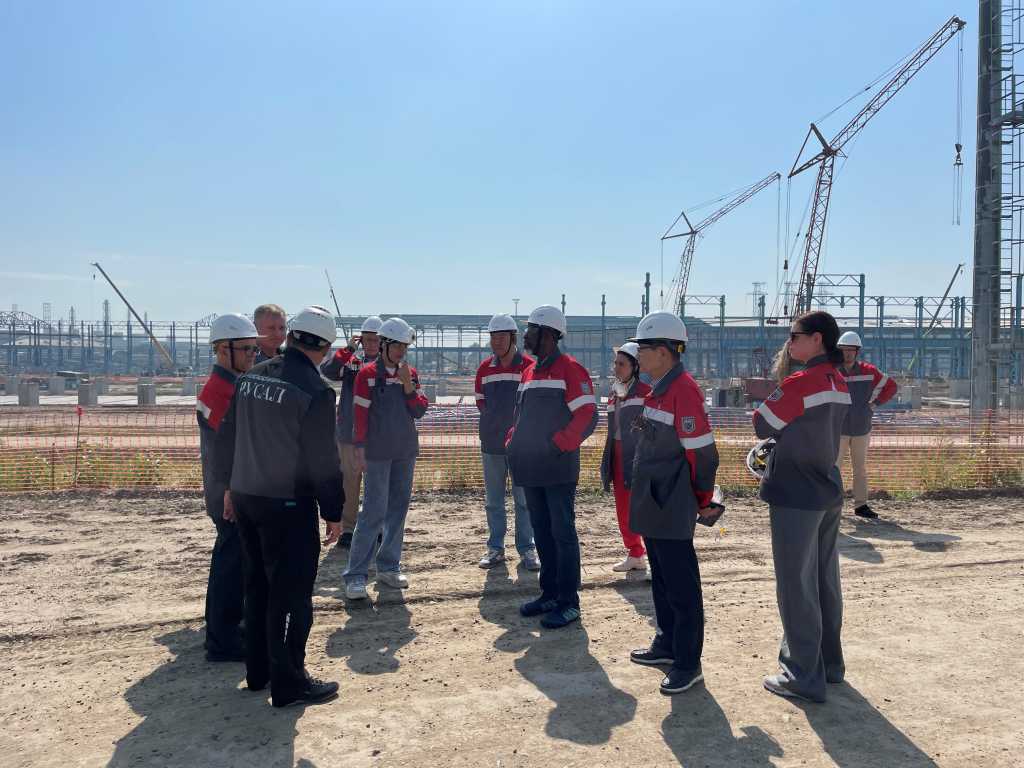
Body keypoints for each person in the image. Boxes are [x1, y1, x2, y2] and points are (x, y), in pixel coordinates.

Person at [213, 305, 343, 708]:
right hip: (287, 504)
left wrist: (228, 487)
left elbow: (227, 436)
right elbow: (323, 460)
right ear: (324, 347)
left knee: (257, 586)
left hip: (246, 496)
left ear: (291, 337)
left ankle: (259, 672)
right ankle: (289, 684)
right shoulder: (316, 390)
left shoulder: (251, 377)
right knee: (291, 595)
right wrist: (334, 511)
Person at [753, 310, 851, 703]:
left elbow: (762, 423)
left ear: (816, 339)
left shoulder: (801, 381)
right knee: (824, 580)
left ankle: (801, 675)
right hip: (827, 486)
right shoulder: (838, 380)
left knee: (796, 585)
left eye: (794, 336)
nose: (789, 342)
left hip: (795, 492)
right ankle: (829, 665)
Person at [625, 312, 720, 695]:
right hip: (654, 500)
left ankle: (687, 662)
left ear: (664, 352)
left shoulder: (683, 391)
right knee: (662, 579)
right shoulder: (660, 389)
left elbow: (702, 454)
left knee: (681, 586)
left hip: (673, 502)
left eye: (644, 348)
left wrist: (704, 499)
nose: (639, 354)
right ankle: (666, 643)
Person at [506, 305, 597, 629]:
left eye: (530, 330)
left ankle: (569, 602)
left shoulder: (570, 369)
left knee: (562, 533)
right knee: (542, 533)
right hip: (531, 469)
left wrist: (557, 445)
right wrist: (513, 441)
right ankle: (549, 594)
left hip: (558, 469)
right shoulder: (529, 372)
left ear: (547, 334)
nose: (525, 335)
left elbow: (587, 416)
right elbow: (521, 418)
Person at [343, 317, 429, 600]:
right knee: (373, 511)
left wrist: (407, 386)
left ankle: (389, 567)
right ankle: (356, 575)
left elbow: (419, 410)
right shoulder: (367, 374)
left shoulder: (410, 374)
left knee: (397, 510)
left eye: (405, 346)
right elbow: (360, 415)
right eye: (397, 346)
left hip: (405, 451)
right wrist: (359, 448)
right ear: (384, 345)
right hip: (377, 453)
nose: (402, 351)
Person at [196, 312, 262, 662]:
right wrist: (231, 491)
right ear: (224, 349)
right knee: (230, 567)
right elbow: (227, 449)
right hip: (228, 492)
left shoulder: (231, 384)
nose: (254, 354)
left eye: (254, 348)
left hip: (228, 488)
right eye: (247, 349)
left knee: (235, 562)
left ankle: (227, 631)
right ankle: (222, 641)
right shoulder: (221, 390)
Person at [474, 313, 539, 571]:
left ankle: (527, 548)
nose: (497, 342)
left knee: (524, 501)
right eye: (493, 337)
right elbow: (480, 401)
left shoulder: (528, 367)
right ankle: (495, 548)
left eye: (502, 337)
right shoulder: (484, 369)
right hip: (491, 444)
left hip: (522, 447)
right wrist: (492, 421)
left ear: (513, 338)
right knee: (494, 501)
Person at [321, 316, 383, 547]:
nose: (371, 344)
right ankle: (348, 529)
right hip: (349, 434)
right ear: (360, 340)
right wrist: (347, 350)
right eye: (367, 340)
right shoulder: (351, 362)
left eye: (376, 340)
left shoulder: (389, 366)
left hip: (378, 437)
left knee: (377, 487)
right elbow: (328, 371)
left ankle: (377, 528)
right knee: (349, 484)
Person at [599, 342, 651, 575]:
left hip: (638, 455)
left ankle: (654, 555)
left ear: (635, 366)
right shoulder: (614, 393)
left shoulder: (646, 392)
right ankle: (635, 553)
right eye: (615, 363)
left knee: (643, 506)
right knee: (623, 508)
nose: (616, 367)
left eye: (621, 364)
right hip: (617, 453)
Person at [835, 331, 897, 519]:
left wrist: (874, 404)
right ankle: (833, 506)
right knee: (834, 468)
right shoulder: (833, 371)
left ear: (857, 351)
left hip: (861, 428)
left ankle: (861, 505)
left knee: (860, 469)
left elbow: (891, 386)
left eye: (851, 350)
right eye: (844, 350)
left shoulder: (869, 371)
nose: (847, 353)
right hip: (838, 429)